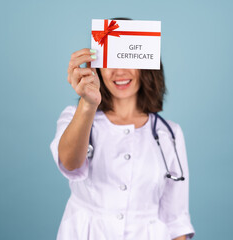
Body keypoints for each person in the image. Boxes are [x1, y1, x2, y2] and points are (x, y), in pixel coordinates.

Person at [50, 26, 195, 240]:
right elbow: (70, 163)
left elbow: (175, 220)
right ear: (97, 67)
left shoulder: (169, 133)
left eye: (129, 60)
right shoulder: (77, 116)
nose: (119, 72)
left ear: (146, 66)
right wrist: (88, 104)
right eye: (110, 62)